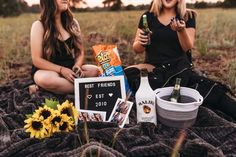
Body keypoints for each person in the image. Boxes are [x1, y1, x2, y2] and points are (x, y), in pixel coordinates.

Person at [125, 0, 236, 120]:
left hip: (179, 69)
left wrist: (181, 30)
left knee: (213, 92)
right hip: (154, 68)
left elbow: (187, 47)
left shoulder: (188, 16)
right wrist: (141, 42)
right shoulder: (147, 17)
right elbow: (137, 49)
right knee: (124, 74)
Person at [29, 0, 99, 94]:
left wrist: (77, 65)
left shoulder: (73, 23)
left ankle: (55, 88)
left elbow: (80, 51)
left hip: (70, 69)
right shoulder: (39, 25)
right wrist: (62, 70)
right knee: (46, 79)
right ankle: (87, 89)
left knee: (95, 71)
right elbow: (37, 60)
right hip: (48, 71)